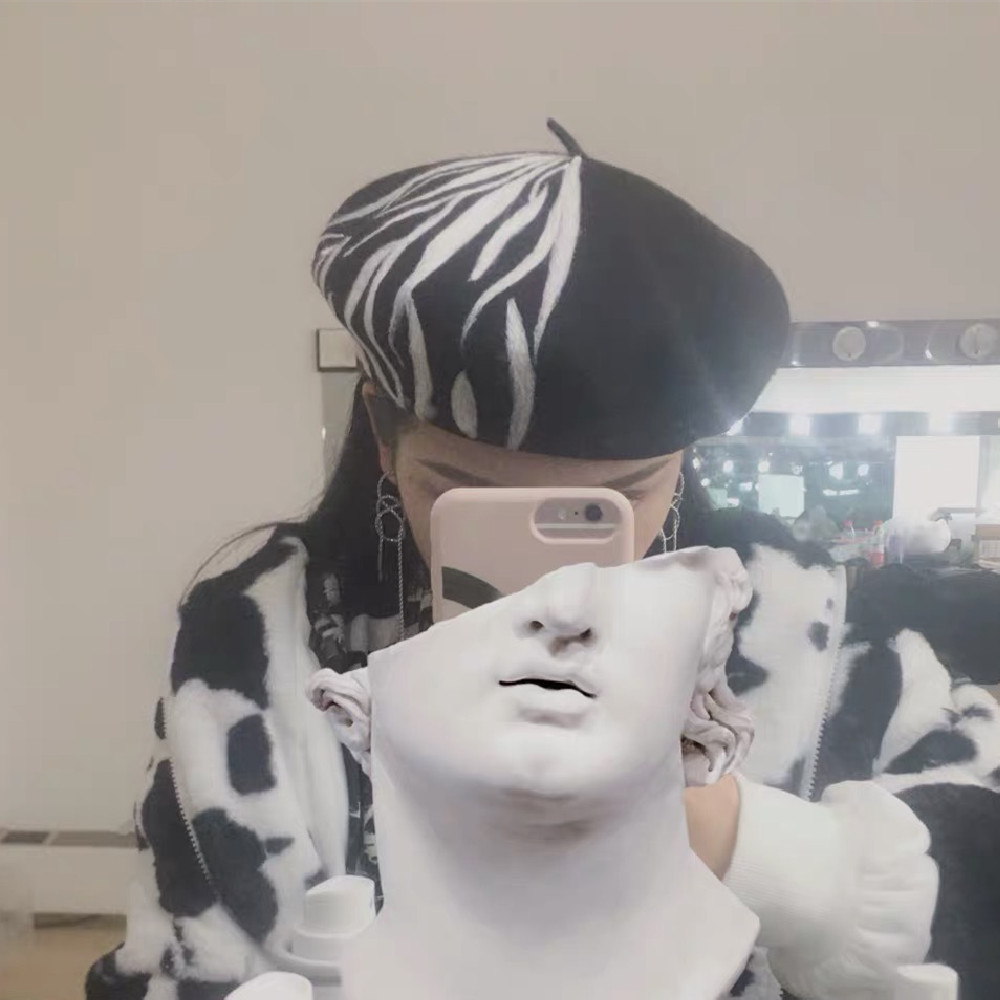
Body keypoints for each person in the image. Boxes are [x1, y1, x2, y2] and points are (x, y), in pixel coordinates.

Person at [87, 123, 1000, 1000]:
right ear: (380, 432)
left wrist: (731, 833)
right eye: (459, 487)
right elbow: (175, 959)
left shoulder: (811, 621)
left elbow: (976, 871)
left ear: (681, 459)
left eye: (622, 493)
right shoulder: (258, 635)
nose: (547, 580)